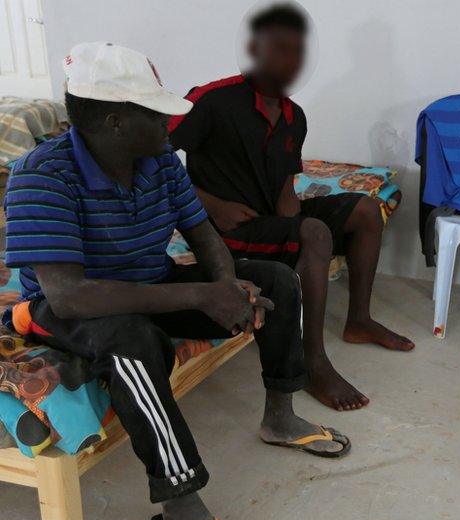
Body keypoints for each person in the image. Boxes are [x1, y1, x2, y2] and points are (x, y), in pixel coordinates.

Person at [4, 42, 350, 520]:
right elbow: (71, 296)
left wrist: (227, 287)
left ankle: (280, 415)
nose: (170, 123)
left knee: (274, 279)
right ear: (116, 120)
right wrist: (199, 296)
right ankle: (179, 494)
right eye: (156, 113)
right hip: (72, 308)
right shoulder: (42, 176)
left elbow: (203, 233)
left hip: (151, 282)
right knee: (131, 338)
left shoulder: (159, 158)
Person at [169, 3, 412, 412]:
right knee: (313, 233)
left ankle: (358, 321)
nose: (290, 60)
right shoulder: (210, 99)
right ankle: (312, 362)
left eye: (298, 52)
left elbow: (285, 184)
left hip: (266, 220)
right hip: (222, 229)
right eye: (280, 48)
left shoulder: (293, 116)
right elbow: (155, 157)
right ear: (253, 49)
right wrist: (210, 203)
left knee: (365, 210)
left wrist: (296, 227)